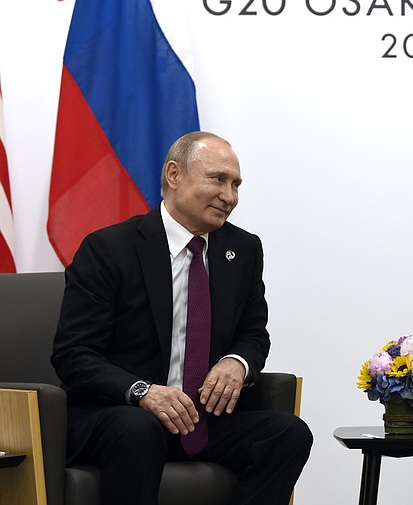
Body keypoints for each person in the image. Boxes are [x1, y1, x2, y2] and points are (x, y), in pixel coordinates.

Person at [51, 131, 312, 505]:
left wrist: (236, 363)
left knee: (289, 433)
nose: (230, 196)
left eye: (236, 184)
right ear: (174, 176)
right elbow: (73, 355)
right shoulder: (109, 249)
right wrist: (143, 392)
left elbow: (254, 334)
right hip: (120, 413)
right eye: (217, 179)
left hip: (202, 418)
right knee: (137, 429)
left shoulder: (243, 249)